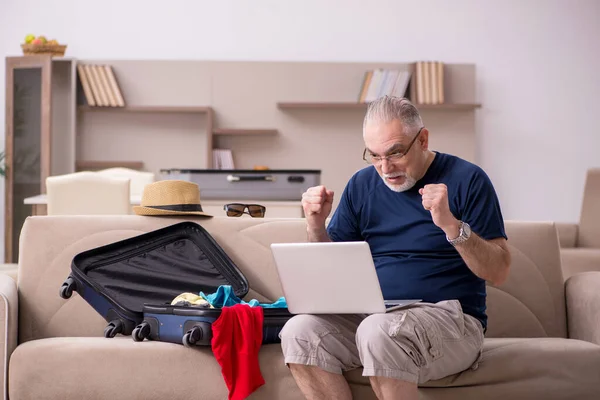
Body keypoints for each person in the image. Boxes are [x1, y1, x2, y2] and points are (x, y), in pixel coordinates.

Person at [279, 96, 511, 400]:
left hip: (451, 321)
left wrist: (451, 226)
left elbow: (499, 271)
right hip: (373, 316)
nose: (385, 168)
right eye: (374, 155)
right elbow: (330, 270)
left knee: (378, 331)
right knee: (299, 332)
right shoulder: (361, 186)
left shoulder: (468, 180)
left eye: (396, 152)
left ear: (423, 139)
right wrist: (316, 226)